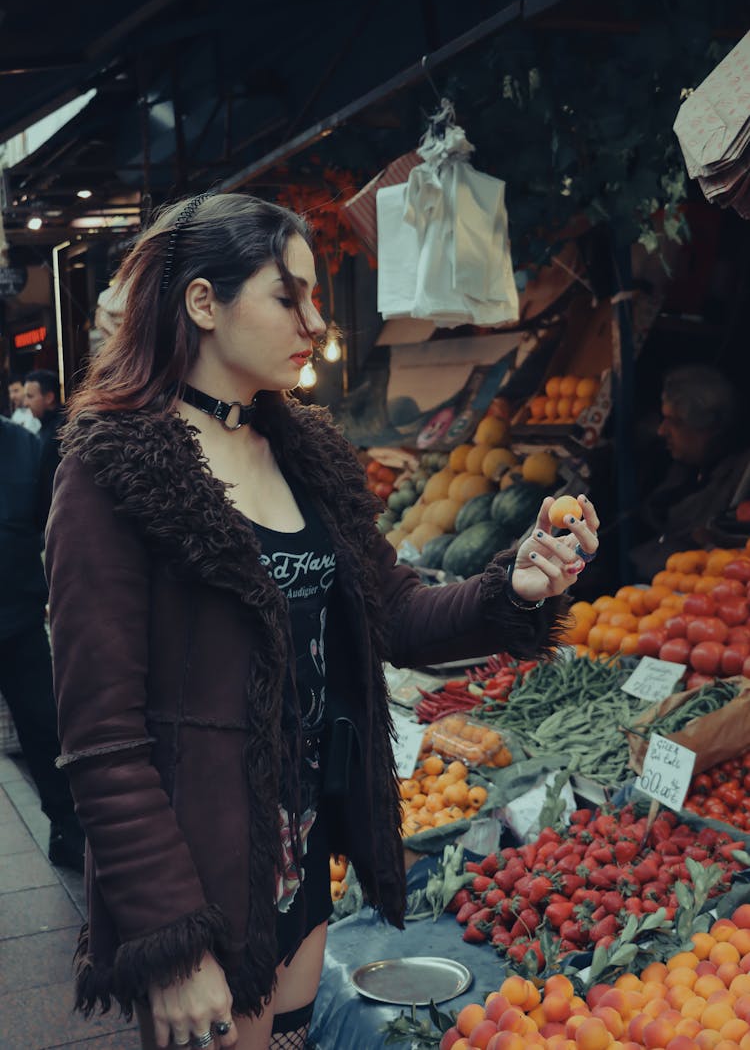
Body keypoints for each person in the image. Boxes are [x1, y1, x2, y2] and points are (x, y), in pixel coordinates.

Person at [45, 192, 600, 1050]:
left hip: (302, 853)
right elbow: (102, 738)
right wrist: (171, 940)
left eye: (314, 296)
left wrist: (516, 587)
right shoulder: (111, 471)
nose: (314, 319)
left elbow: (398, 614)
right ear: (203, 302)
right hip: (203, 869)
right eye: (288, 296)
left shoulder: (302, 451)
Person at [0, 415, 84, 871]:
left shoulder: (24, 446)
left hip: (18, 618)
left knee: (46, 727)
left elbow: (48, 521)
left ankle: (67, 830)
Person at [630, 364, 750, 581]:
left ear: (710, 428)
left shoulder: (737, 479)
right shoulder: (682, 468)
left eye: (675, 422)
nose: (662, 430)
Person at [24, 368, 64, 522]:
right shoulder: (46, 428)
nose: (26, 403)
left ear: (48, 397)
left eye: (30, 396)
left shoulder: (61, 430)